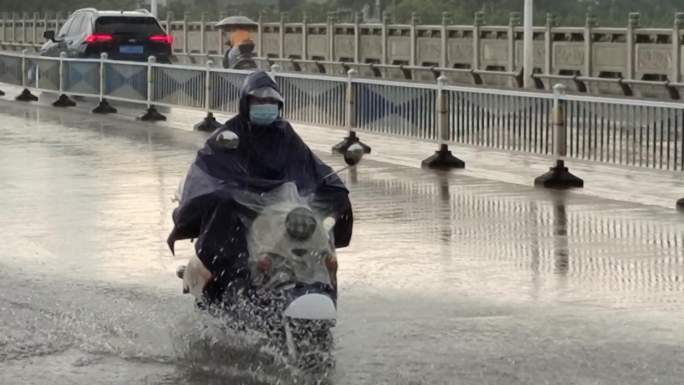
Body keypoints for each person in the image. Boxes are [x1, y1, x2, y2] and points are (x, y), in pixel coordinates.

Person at [168, 70, 353, 303]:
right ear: (246, 103)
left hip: (281, 209)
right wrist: (227, 192)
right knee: (223, 206)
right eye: (259, 101)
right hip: (244, 209)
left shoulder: (285, 135)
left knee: (324, 223)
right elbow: (209, 167)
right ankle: (230, 276)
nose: (265, 106)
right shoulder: (230, 134)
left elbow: (310, 165)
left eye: (271, 102)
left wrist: (332, 187)